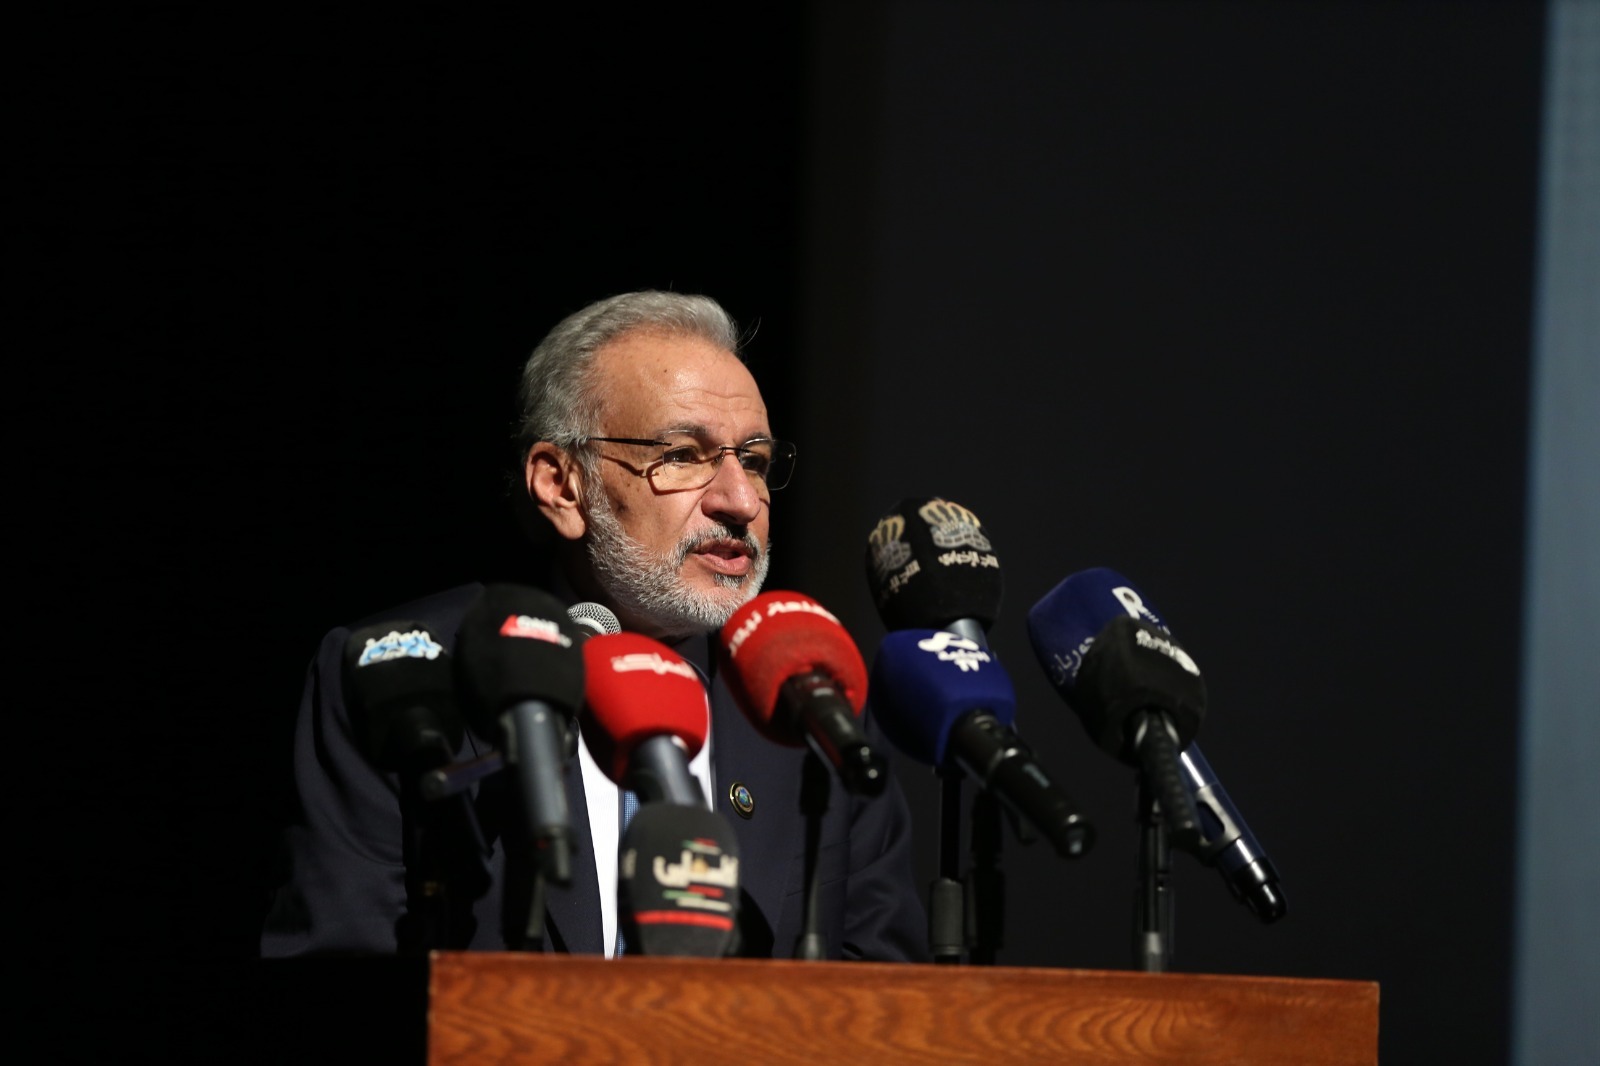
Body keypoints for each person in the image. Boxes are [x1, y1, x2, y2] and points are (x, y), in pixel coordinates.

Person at [260, 290, 928, 963]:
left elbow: (888, 992)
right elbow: (343, 980)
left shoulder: (814, 703)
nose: (740, 501)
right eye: (684, 455)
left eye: (753, 461)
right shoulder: (404, 678)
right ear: (561, 485)